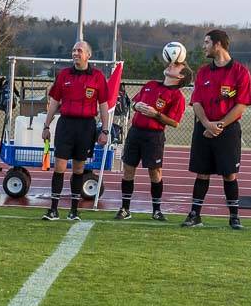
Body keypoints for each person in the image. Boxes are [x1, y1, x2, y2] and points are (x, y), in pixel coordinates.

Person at [183, 29, 251, 230]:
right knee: (201, 173)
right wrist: (207, 124)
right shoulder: (204, 72)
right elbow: (196, 102)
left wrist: (219, 125)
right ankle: (195, 215)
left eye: (206, 42)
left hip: (227, 131)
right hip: (203, 129)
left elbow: (241, 104)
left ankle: (234, 217)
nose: (203, 46)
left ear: (218, 44)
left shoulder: (240, 72)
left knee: (229, 174)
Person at [41, 41, 110, 222]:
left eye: (79, 50)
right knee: (60, 166)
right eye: (73, 50)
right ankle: (53, 210)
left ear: (88, 55)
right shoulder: (64, 74)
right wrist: (46, 126)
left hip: (86, 127)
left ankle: (74, 210)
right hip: (66, 125)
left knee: (79, 168)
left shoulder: (97, 77)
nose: (75, 53)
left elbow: (103, 105)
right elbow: (54, 102)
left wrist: (105, 130)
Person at [115, 61, 190, 221]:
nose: (171, 65)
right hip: (135, 132)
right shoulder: (150, 85)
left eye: (176, 66)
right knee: (128, 169)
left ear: (180, 76)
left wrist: (156, 114)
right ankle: (125, 208)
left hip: (154, 136)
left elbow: (175, 122)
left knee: (154, 172)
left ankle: (156, 210)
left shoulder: (177, 96)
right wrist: (136, 106)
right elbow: (134, 103)